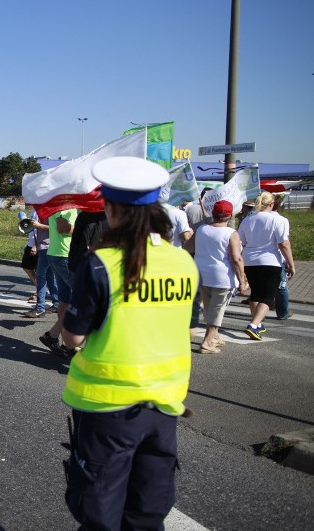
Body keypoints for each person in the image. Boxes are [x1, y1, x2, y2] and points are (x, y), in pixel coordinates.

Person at [60, 157, 199, 530]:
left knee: (101, 507)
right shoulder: (184, 262)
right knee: (148, 508)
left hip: (107, 409)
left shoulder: (100, 263)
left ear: (110, 208)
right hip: (165, 405)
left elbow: (72, 337)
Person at [237, 191, 295, 340]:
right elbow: (283, 243)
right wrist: (291, 263)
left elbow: (241, 241)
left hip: (249, 259)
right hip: (270, 260)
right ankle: (254, 324)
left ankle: (257, 324)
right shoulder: (278, 220)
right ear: (271, 204)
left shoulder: (247, 220)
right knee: (268, 296)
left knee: (256, 293)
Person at [192, 200, 248, 353]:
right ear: (230, 216)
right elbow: (236, 258)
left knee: (209, 307)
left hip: (202, 273)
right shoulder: (231, 233)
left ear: (213, 213)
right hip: (221, 276)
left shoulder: (202, 229)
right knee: (218, 309)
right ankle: (208, 341)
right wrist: (242, 281)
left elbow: (188, 246)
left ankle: (214, 336)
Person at [38, 207, 76, 351]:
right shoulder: (64, 206)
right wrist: (82, 230)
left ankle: (65, 343)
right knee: (81, 298)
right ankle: (54, 336)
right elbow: (62, 228)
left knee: (65, 300)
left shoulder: (66, 204)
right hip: (64, 254)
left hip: (57, 253)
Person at [22, 215, 59, 319]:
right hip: (43, 246)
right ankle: (57, 303)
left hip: (47, 247)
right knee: (50, 276)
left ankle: (40, 308)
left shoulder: (49, 210)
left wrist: (39, 225)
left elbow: (56, 228)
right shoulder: (39, 209)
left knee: (40, 276)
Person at [20, 209, 39, 304]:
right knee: (26, 266)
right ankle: (39, 289)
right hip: (31, 243)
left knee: (41, 272)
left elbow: (43, 229)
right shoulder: (34, 210)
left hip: (39, 245)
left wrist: (37, 245)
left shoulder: (42, 209)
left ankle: (40, 294)